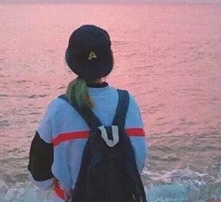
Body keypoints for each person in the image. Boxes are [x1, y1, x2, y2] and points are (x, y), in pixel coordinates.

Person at [28, 24, 147, 201]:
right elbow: (139, 161)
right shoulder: (129, 102)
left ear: (70, 61)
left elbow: (38, 175)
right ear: (109, 61)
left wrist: (60, 187)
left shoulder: (59, 109)